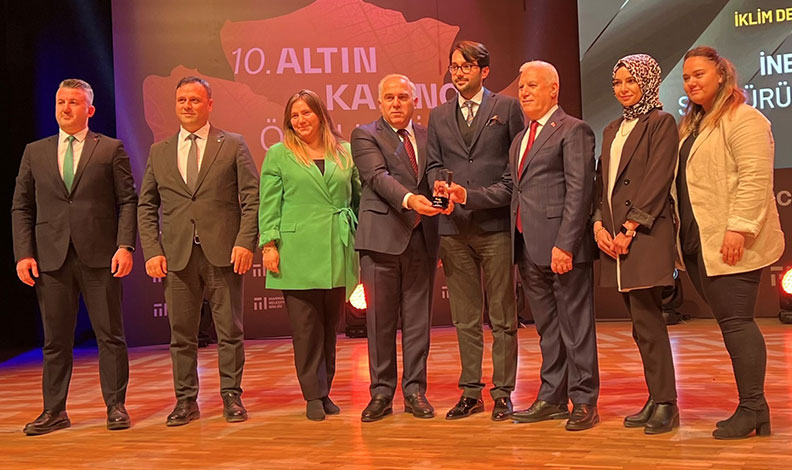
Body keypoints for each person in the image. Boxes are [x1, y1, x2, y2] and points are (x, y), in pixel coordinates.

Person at [461, 61, 599, 430]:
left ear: (554, 89)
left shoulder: (574, 130)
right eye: (522, 86)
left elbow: (580, 192)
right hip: (527, 247)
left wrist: (566, 244)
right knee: (548, 330)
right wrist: (467, 196)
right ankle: (553, 397)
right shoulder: (521, 138)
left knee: (576, 329)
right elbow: (510, 189)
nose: (524, 92)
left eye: (532, 85)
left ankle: (584, 400)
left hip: (562, 249)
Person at [12, 78, 137, 435]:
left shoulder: (109, 148)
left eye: (74, 102)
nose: (65, 108)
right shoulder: (35, 152)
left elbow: (128, 201)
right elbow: (21, 206)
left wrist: (125, 246)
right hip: (51, 258)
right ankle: (54, 411)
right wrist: (24, 253)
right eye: (61, 102)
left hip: (101, 256)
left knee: (109, 335)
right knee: (55, 340)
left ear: (90, 109)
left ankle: (115, 406)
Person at [675, 46, 784, 439]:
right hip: (698, 244)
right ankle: (755, 409)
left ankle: (753, 407)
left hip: (732, 241)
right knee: (730, 323)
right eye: (686, 77)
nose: (691, 83)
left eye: (699, 74)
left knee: (737, 323)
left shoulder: (745, 118)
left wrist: (738, 228)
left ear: (721, 75)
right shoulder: (693, 125)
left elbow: (755, 179)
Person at [138, 76, 259, 426]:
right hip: (177, 256)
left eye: (194, 99)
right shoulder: (159, 151)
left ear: (209, 104)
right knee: (181, 335)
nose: (187, 106)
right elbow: (146, 205)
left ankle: (231, 396)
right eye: (182, 100)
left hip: (223, 252)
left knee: (229, 331)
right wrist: (152, 250)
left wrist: (244, 241)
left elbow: (252, 198)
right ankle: (185, 401)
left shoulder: (232, 144)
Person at [425, 41, 524, 421]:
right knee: (465, 318)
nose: (459, 72)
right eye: (454, 66)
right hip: (453, 229)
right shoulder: (438, 115)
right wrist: (439, 187)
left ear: (484, 71)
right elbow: (433, 165)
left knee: (502, 316)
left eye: (466, 66)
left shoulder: (507, 108)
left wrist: (473, 196)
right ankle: (470, 392)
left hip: (495, 225)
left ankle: (503, 393)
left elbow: (516, 171)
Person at [258, 89, 360, 421]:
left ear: (320, 114)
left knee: (330, 328)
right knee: (306, 329)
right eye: (294, 115)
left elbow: (358, 198)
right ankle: (312, 394)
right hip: (296, 251)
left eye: (306, 113)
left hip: (336, 248)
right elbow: (269, 203)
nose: (300, 120)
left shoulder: (345, 152)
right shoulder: (278, 154)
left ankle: (324, 389)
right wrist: (269, 244)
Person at [592, 54, 679, 434]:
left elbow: (658, 179)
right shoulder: (612, 128)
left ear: (648, 82)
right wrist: (598, 224)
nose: (623, 88)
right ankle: (655, 397)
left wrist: (630, 227)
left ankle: (667, 403)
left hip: (643, 235)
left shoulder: (661, 122)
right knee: (640, 324)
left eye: (631, 81)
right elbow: (603, 184)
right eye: (617, 82)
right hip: (615, 239)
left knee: (649, 321)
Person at [351, 74, 442, 422]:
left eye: (403, 97)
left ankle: (415, 391)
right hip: (381, 241)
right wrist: (411, 200)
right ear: (379, 102)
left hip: (422, 238)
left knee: (418, 323)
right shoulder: (365, 135)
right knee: (381, 323)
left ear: (414, 101)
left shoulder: (428, 135)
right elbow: (377, 177)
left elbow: (435, 175)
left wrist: (443, 191)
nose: (396, 103)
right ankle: (381, 393)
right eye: (389, 97)